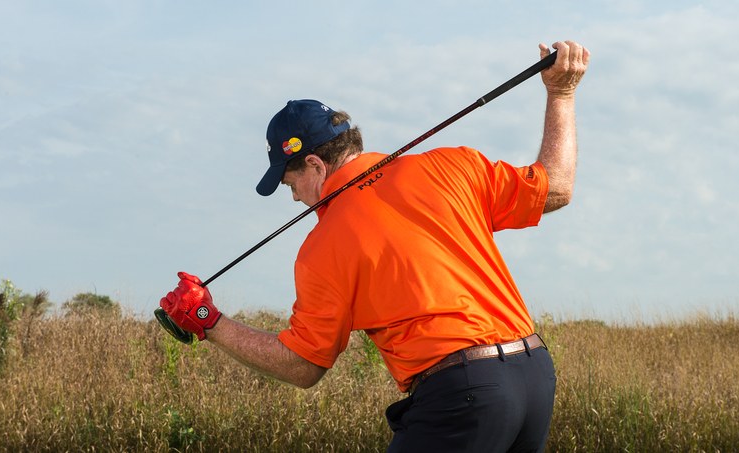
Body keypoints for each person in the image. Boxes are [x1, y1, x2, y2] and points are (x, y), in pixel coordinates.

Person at [160, 40, 590, 452]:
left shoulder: (323, 245)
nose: (294, 198)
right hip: (534, 376)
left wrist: (208, 321)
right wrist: (561, 93)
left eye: (291, 184)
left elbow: (303, 365)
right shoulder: (451, 165)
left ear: (314, 164)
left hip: (462, 397)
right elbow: (558, 187)